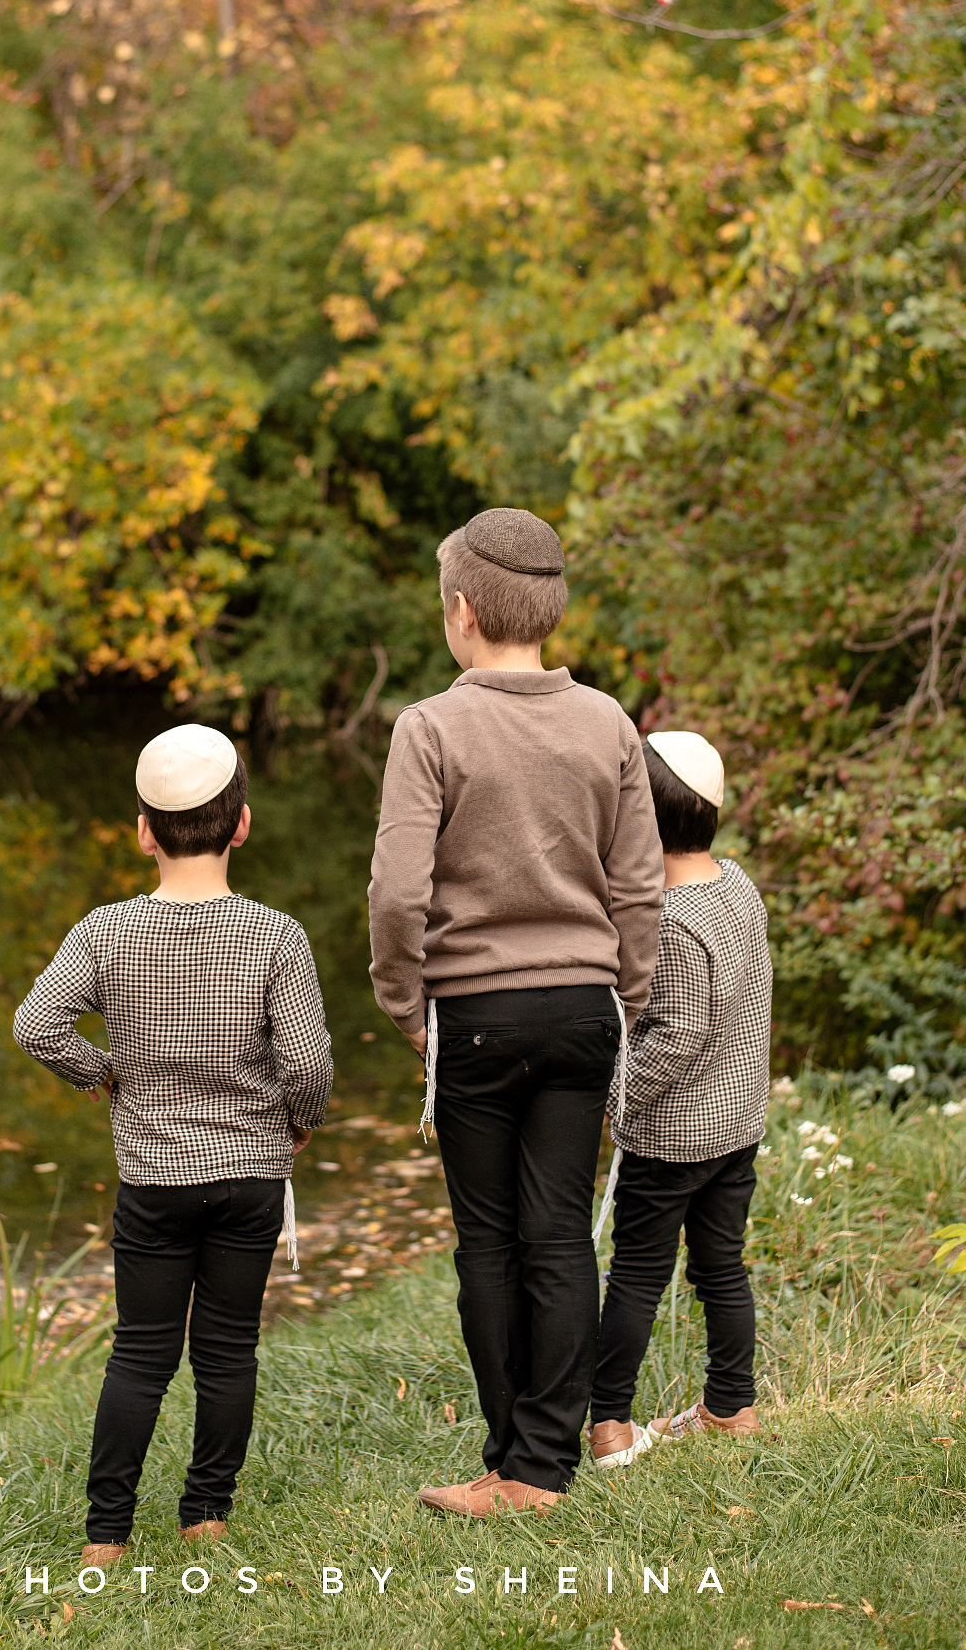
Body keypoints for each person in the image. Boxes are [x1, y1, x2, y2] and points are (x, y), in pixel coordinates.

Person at [368, 507, 664, 1517]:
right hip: (584, 1004)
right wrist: (631, 995)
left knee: (489, 1241)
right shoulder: (609, 723)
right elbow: (637, 886)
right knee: (559, 1235)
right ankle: (543, 1460)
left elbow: (399, 895)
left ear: (462, 612)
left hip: (476, 1014)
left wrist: (406, 1004)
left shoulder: (432, 727)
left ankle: (516, 1464)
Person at [13, 724, 333, 1567]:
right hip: (250, 1176)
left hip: (155, 1180)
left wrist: (105, 1074)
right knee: (228, 1349)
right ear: (243, 824)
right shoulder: (277, 936)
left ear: (144, 831)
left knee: (141, 1355)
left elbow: (36, 1023)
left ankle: (106, 1537)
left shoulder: (105, 931)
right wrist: (300, 1118)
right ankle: (206, 1516)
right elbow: (306, 1061)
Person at [588, 730, 772, 1470]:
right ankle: (732, 1406)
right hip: (737, 1124)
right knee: (722, 1264)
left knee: (636, 1272)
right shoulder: (737, 885)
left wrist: (611, 1096)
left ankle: (608, 1425)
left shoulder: (668, 918)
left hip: (672, 1136)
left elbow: (678, 1035)